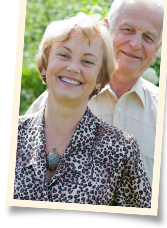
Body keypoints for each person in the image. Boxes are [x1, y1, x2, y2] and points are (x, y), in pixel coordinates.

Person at [26, 0, 164, 186]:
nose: (135, 44)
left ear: (157, 48)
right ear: (106, 28)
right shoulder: (55, 100)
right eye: (128, 29)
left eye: (148, 37)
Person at [14, 13, 151, 206]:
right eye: (63, 55)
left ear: (100, 78)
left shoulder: (122, 150)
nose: (73, 68)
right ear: (44, 65)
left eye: (87, 61)